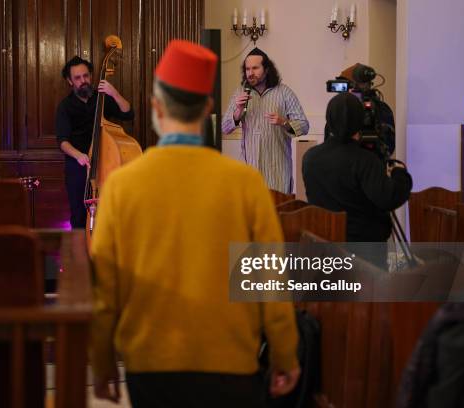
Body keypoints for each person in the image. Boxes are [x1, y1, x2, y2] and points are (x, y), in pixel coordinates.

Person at [90, 40, 300, 407]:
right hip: (231, 364)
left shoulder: (122, 185)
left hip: (150, 365)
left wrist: (103, 360)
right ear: (207, 109)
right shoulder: (245, 184)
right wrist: (284, 354)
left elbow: (107, 287)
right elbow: (269, 279)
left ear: (156, 109)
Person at [302, 92, 412, 244]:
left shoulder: (310, 157)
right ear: (360, 121)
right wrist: (400, 173)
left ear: (329, 119)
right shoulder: (364, 160)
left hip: (324, 244)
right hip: (364, 251)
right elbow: (389, 199)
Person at [55, 56, 134, 229]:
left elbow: (128, 113)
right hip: (78, 164)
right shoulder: (65, 107)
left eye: (86, 76)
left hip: (106, 163)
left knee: (110, 212)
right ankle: (81, 252)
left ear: (90, 76)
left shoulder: (102, 98)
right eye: (77, 78)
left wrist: (114, 93)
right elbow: (62, 141)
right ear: (69, 81)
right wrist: (79, 156)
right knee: (78, 214)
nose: (83, 81)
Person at [222, 48, 309, 193]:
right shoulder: (240, 93)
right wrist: (237, 111)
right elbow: (224, 128)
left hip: (278, 173)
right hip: (250, 173)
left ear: (267, 69)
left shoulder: (284, 92)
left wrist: (284, 122)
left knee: (277, 214)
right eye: (247, 69)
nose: (250, 73)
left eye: (255, 68)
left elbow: (304, 126)